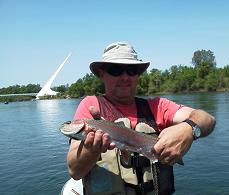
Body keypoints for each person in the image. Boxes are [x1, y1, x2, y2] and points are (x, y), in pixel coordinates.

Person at [67, 42, 216, 195]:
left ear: (138, 74)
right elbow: (75, 171)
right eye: (115, 70)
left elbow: (208, 119)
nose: (125, 77)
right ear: (101, 74)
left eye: (131, 70)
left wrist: (189, 129)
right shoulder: (91, 106)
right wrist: (90, 149)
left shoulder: (158, 106)